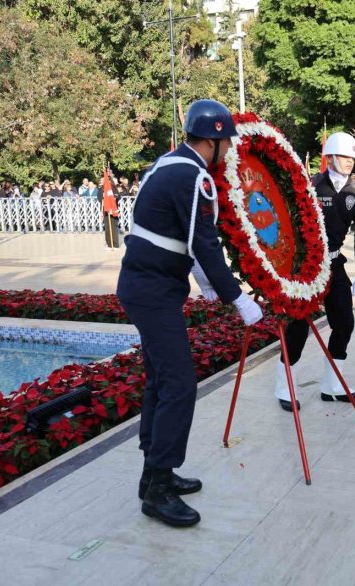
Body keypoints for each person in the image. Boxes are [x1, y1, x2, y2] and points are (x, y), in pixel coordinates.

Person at [117, 99, 263, 528]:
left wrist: (208, 291)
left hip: (148, 286)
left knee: (161, 381)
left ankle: (152, 474)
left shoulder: (169, 164)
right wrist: (237, 298)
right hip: (153, 291)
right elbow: (204, 245)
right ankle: (158, 489)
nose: (229, 151)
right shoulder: (192, 176)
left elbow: (183, 240)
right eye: (226, 144)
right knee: (179, 384)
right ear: (213, 140)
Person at [272, 131, 355, 411]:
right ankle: (284, 387)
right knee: (299, 327)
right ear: (328, 158)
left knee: (345, 323)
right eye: (343, 157)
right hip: (306, 268)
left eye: (352, 158)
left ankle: (332, 385)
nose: (350, 162)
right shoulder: (311, 187)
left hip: (335, 264)